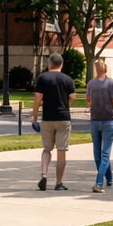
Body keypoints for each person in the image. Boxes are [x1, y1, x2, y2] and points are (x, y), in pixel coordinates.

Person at [32, 51, 77, 191]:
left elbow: (37, 99)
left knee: (47, 149)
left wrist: (34, 117)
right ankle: (58, 182)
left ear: (50, 63)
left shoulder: (42, 78)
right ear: (61, 64)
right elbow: (73, 96)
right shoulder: (68, 80)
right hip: (63, 118)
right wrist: (66, 106)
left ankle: (44, 174)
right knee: (61, 151)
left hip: (47, 118)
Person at [86, 57, 113, 192]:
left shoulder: (91, 84)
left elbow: (88, 101)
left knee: (97, 154)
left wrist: (95, 104)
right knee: (105, 154)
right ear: (106, 69)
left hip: (94, 120)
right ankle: (101, 182)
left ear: (96, 69)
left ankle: (105, 179)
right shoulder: (112, 83)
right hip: (109, 120)